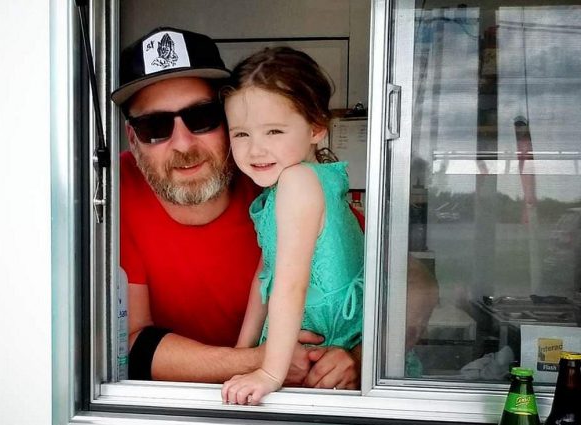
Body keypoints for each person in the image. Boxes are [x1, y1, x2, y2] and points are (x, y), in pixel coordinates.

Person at [112, 27, 438, 391]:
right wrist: (258, 360)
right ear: (132, 138)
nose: (183, 143)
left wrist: (361, 356)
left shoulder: (273, 174)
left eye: (202, 117)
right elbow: (127, 342)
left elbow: (414, 282)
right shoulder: (114, 189)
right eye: (154, 126)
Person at [219, 47, 364, 405]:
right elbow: (265, 273)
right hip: (306, 345)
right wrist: (241, 352)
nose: (255, 150)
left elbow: (290, 284)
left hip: (325, 344)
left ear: (316, 127)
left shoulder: (299, 182)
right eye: (241, 134)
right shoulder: (285, 185)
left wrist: (270, 371)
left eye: (274, 131)